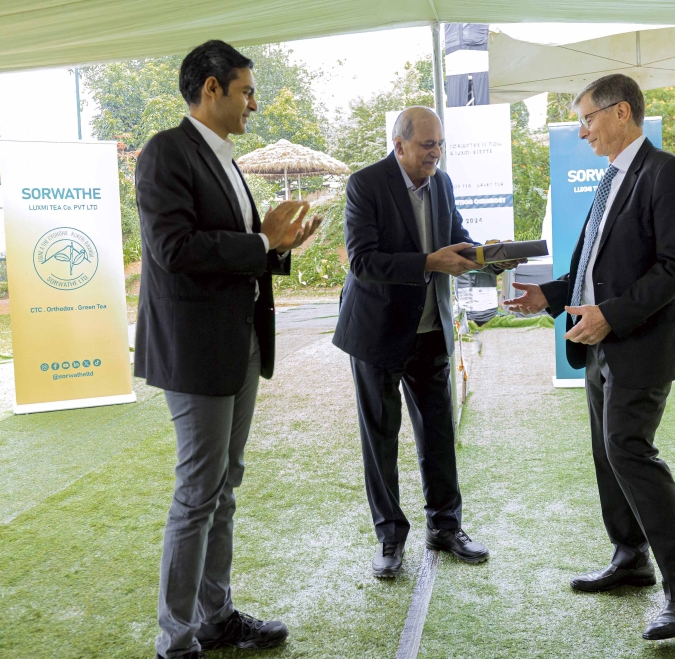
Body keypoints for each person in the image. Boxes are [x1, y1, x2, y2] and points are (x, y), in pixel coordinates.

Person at [504, 74, 675, 641]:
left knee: (629, 448)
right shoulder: (612, 178)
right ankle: (631, 558)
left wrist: (611, 315)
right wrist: (549, 297)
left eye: (588, 118)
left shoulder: (667, 173)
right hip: (601, 338)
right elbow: (597, 265)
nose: (583, 131)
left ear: (620, 112)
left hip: (640, 341)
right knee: (609, 451)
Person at [134, 40, 320, 659]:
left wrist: (278, 243)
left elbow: (242, 249)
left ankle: (216, 618)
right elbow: (174, 250)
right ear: (210, 89)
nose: (254, 103)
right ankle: (176, 640)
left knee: (222, 486)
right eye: (245, 90)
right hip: (195, 351)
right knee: (197, 494)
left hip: (237, 343)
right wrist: (260, 239)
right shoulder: (167, 151)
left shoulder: (225, 158)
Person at [333, 106, 519, 578]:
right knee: (381, 437)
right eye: (426, 145)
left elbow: (453, 240)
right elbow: (363, 262)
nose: (435, 153)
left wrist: (485, 256)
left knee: (438, 434)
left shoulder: (443, 183)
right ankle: (390, 538)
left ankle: (446, 526)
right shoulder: (365, 185)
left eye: (439, 144)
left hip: (431, 328)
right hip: (376, 333)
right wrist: (428, 263)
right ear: (399, 145)